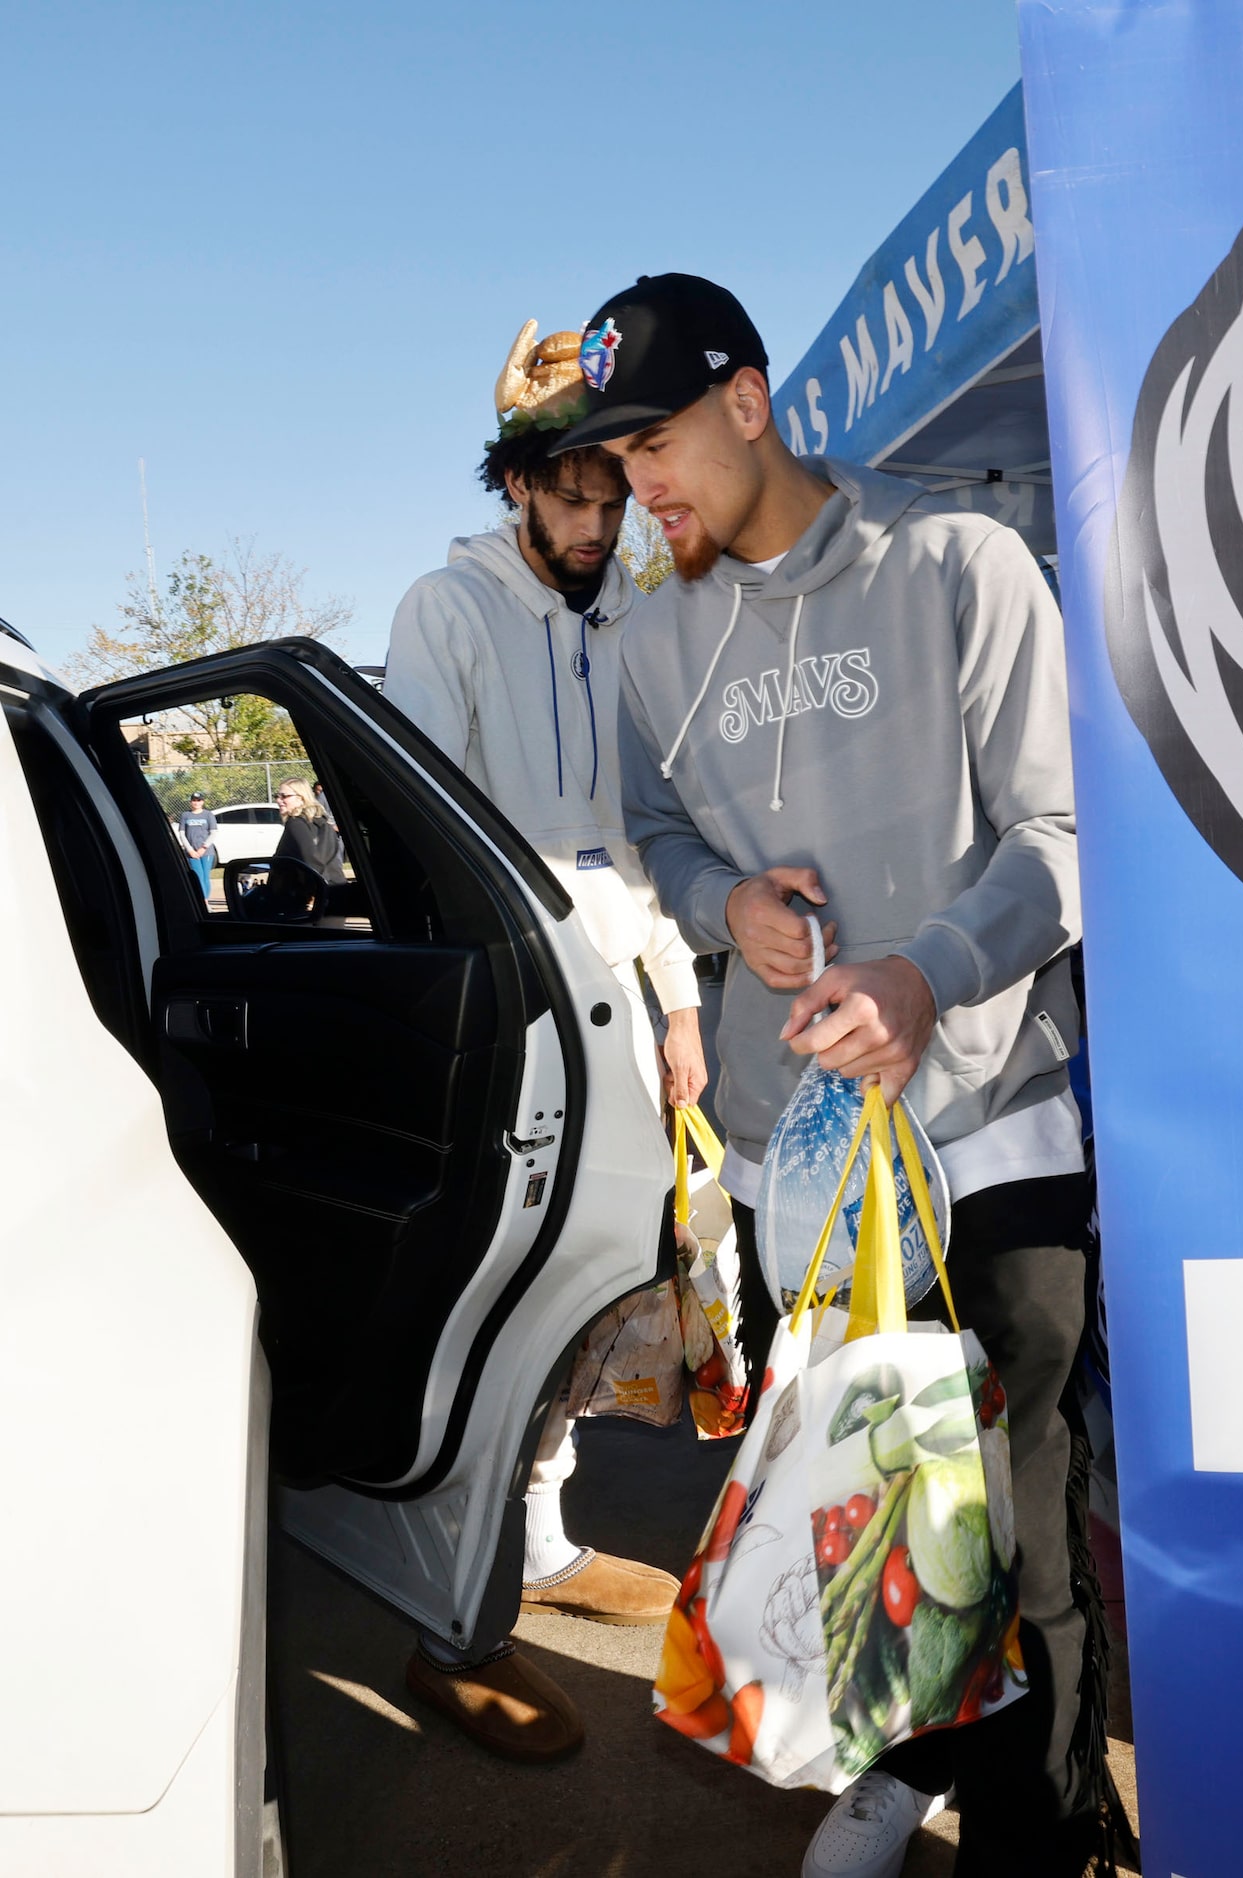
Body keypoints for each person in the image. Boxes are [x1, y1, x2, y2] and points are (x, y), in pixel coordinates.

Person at [563, 274, 1106, 1878]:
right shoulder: (653, 633)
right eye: (607, 458)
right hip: (790, 1160)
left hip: (991, 1126)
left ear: (749, 400)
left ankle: (1039, 1822)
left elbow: (1066, 837)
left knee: (1018, 1508)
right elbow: (652, 825)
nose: (632, 487)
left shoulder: (960, 561)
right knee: (864, 1504)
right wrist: (718, 901)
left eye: (653, 442)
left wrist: (924, 971)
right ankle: (905, 1757)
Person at [377, 317, 712, 1762]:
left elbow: (639, 837)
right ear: (512, 482)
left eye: (609, 496)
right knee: (499, 1316)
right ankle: (452, 1627)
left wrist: (681, 998)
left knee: (587, 1311)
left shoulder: (625, 620)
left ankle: (547, 1545)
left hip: (618, 1019)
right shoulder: (442, 615)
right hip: (510, 1025)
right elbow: (416, 835)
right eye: (564, 494)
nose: (590, 522)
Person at [271, 777, 342, 881]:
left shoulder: (295, 823)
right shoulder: (320, 821)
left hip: (315, 891)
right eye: (277, 796)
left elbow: (310, 860)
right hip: (335, 886)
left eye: (284, 796)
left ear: (301, 798)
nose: (278, 800)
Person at [176, 792, 216, 903]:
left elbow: (213, 833)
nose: (196, 803)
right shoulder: (185, 815)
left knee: (205, 876)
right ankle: (203, 901)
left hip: (206, 852)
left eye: (199, 800)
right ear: (190, 802)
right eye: (194, 800)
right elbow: (182, 833)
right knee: (198, 876)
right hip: (192, 852)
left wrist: (204, 847)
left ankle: (206, 900)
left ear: (202, 802)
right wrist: (189, 849)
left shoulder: (208, 815)